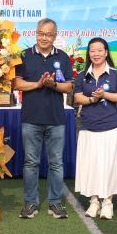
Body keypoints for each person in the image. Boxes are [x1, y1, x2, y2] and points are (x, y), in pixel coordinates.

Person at [16, 18, 74, 219]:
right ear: (35, 33)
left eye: (48, 34)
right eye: (41, 33)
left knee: (56, 163)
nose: (44, 38)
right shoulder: (24, 56)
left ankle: (55, 203)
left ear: (55, 36)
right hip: (31, 118)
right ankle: (30, 203)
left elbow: (68, 87)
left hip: (55, 119)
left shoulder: (64, 58)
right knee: (31, 163)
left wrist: (53, 85)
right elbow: (18, 84)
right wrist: (39, 84)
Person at [72, 37, 117, 219]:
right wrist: (92, 99)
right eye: (92, 50)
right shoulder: (82, 75)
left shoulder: (116, 74)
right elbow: (77, 98)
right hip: (89, 128)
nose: (96, 54)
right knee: (92, 166)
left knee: (109, 166)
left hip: (110, 128)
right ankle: (94, 200)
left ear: (106, 52)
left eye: (99, 50)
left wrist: (105, 94)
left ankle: (108, 202)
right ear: (89, 53)